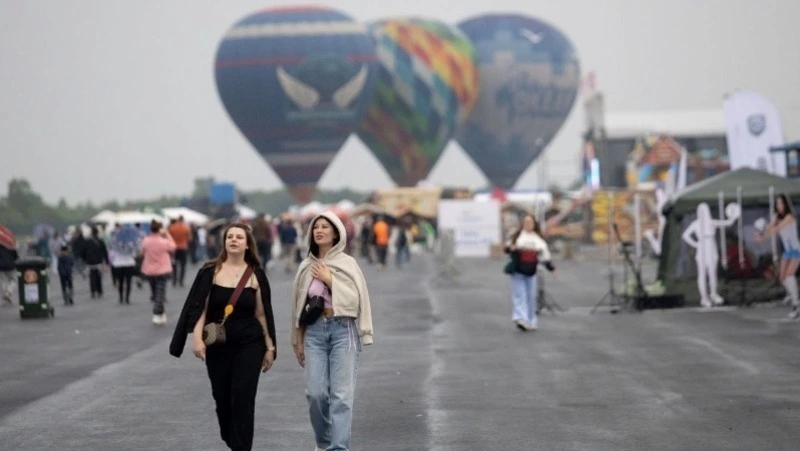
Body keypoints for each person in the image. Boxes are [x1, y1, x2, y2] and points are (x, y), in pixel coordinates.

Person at [169, 223, 277, 451]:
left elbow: (262, 313)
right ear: (224, 242)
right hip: (218, 344)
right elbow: (200, 310)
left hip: (250, 343)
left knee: (243, 398)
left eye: (239, 237)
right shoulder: (210, 272)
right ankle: (233, 440)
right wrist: (197, 339)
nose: (234, 240)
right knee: (223, 399)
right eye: (230, 237)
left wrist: (270, 347)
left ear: (248, 244)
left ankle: (242, 447)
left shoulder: (255, 274)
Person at [291, 211, 373, 451]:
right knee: (315, 394)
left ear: (336, 233)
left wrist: (330, 280)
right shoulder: (306, 265)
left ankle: (338, 448)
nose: (319, 231)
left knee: (341, 396)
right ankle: (324, 441)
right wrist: (297, 339)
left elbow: (357, 300)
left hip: (343, 330)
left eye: (325, 227)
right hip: (314, 332)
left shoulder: (348, 264)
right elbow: (297, 307)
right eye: (316, 227)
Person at [504, 214, 555, 331]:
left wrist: (550, 267)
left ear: (534, 224)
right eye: (526, 222)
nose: (528, 224)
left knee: (531, 297)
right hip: (518, 270)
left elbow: (544, 255)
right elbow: (507, 248)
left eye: (530, 222)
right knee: (519, 294)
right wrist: (511, 248)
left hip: (531, 270)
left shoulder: (538, 239)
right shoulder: (516, 236)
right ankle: (520, 318)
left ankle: (531, 320)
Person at [756, 193, 800, 319]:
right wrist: (762, 234)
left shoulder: (790, 216)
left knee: (789, 275)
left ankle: (796, 305)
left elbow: (777, 228)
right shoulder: (776, 215)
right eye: (777, 203)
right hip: (787, 251)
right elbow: (771, 226)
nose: (779, 205)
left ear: (785, 204)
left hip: (796, 249)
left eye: (781, 203)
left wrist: (763, 236)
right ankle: (794, 295)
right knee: (782, 278)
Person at [141, 221, 176, 325]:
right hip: (162, 269)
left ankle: (160, 313)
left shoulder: (145, 241)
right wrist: (167, 234)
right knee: (160, 293)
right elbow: (173, 247)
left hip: (149, 270)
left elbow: (142, 251)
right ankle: (157, 313)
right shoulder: (163, 241)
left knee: (155, 293)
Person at [82, 226, 109, 299]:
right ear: (97, 233)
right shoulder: (100, 241)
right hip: (98, 261)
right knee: (98, 277)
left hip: (90, 261)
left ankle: (93, 291)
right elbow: (104, 251)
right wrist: (107, 261)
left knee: (92, 277)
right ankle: (99, 290)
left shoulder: (87, 241)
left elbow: (83, 251)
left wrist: (85, 260)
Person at [168, 215, 192, 287]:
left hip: (174, 249)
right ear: (183, 220)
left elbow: (168, 237)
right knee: (183, 265)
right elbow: (190, 238)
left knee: (174, 265)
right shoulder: (186, 227)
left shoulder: (172, 227)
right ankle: (181, 281)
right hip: (183, 248)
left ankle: (174, 280)